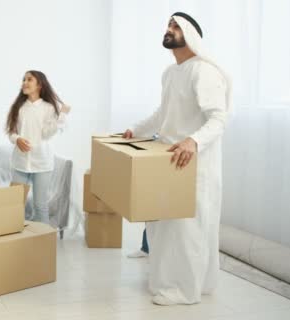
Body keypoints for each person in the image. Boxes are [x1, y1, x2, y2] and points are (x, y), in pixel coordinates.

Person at [123, 12, 232, 305]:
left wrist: (193, 141)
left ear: (190, 34)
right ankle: (167, 281)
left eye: (175, 25)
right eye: (168, 25)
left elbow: (219, 119)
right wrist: (136, 129)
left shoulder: (204, 71)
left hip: (195, 164)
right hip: (167, 161)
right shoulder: (170, 73)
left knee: (187, 230)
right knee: (162, 227)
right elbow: (163, 113)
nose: (168, 29)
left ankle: (185, 290)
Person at [6, 70, 70, 225]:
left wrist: (62, 115)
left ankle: (41, 243)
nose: (24, 83)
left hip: (42, 163)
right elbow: (11, 132)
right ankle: (13, 242)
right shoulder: (18, 107)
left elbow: (47, 134)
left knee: (40, 206)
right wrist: (17, 139)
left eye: (29, 79)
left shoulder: (49, 108)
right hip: (20, 163)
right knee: (14, 205)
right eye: (23, 79)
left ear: (39, 85)